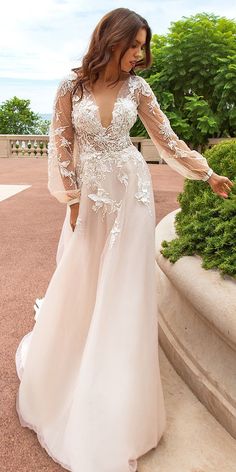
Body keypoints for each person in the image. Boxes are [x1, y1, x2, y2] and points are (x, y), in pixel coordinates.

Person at [15, 7, 233, 472]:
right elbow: (61, 142)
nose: (139, 54)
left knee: (124, 292)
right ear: (110, 40)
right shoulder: (69, 87)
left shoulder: (139, 88)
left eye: (143, 46)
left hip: (131, 197)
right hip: (90, 199)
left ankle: (115, 399)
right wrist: (72, 201)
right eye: (133, 44)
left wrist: (206, 172)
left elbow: (167, 138)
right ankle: (69, 375)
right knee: (83, 282)